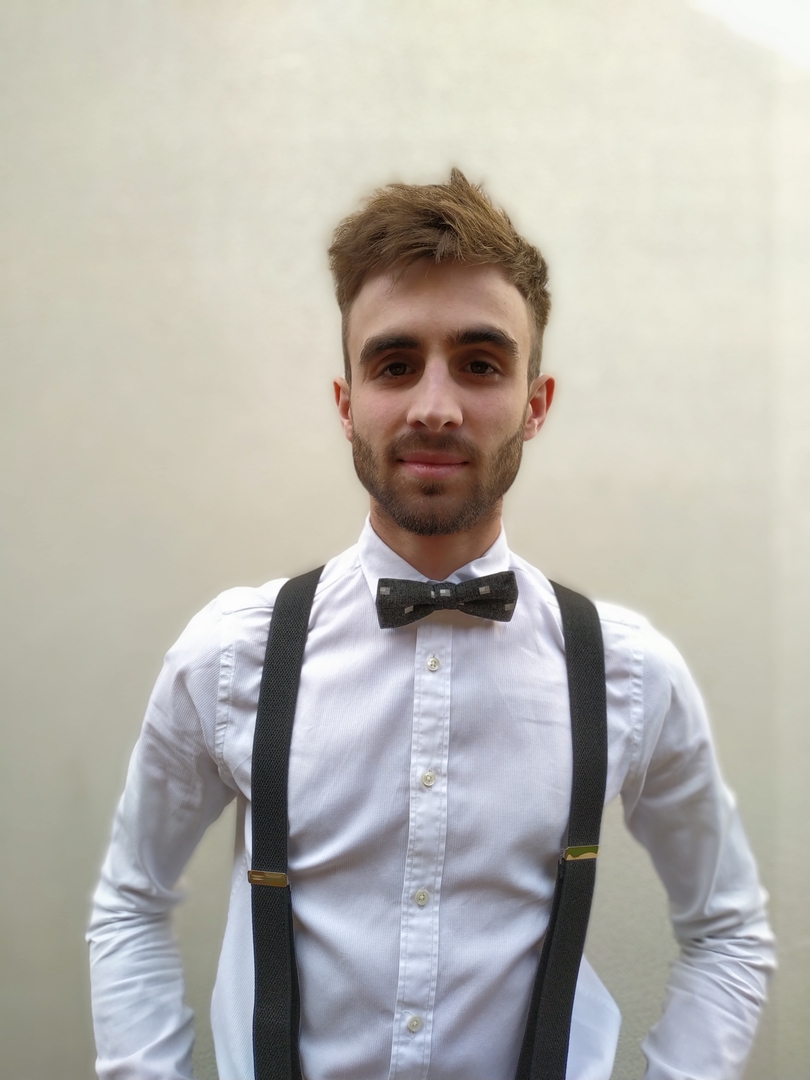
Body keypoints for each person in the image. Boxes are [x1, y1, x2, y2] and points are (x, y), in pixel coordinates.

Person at [88, 169, 775, 1080]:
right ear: (347, 404)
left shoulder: (629, 672)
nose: (436, 407)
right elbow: (130, 903)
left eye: (481, 363)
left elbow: (728, 931)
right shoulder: (229, 656)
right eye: (395, 363)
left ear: (536, 402)